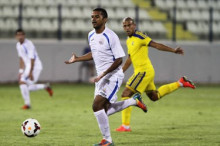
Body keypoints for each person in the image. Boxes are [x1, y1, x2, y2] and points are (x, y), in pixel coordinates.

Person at [65, 8, 147, 146]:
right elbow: (94, 53)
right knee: (103, 110)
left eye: (97, 16)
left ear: (105, 19)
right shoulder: (91, 35)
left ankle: (107, 140)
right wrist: (77, 59)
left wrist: (103, 74)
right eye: (92, 16)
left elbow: (119, 60)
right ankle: (133, 101)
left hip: (113, 76)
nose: (93, 19)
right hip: (101, 77)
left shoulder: (111, 36)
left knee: (97, 105)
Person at [115, 17, 196, 132]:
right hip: (145, 71)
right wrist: (121, 71)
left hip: (143, 71)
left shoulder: (140, 36)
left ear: (134, 25)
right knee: (154, 96)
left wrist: (173, 50)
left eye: (129, 25)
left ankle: (125, 126)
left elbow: (156, 45)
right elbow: (130, 58)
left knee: (126, 93)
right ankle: (180, 83)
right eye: (125, 26)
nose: (127, 28)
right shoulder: (129, 40)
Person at [15, 29, 53, 109]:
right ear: (16, 36)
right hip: (28, 67)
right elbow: (21, 58)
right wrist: (21, 71)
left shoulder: (29, 44)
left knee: (23, 84)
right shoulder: (18, 45)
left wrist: (31, 72)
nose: (20, 36)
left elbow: (32, 59)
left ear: (24, 36)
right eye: (18, 35)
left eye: (22, 35)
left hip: (35, 66)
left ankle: (27, 104)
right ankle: (45, 86)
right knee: (26, 86)